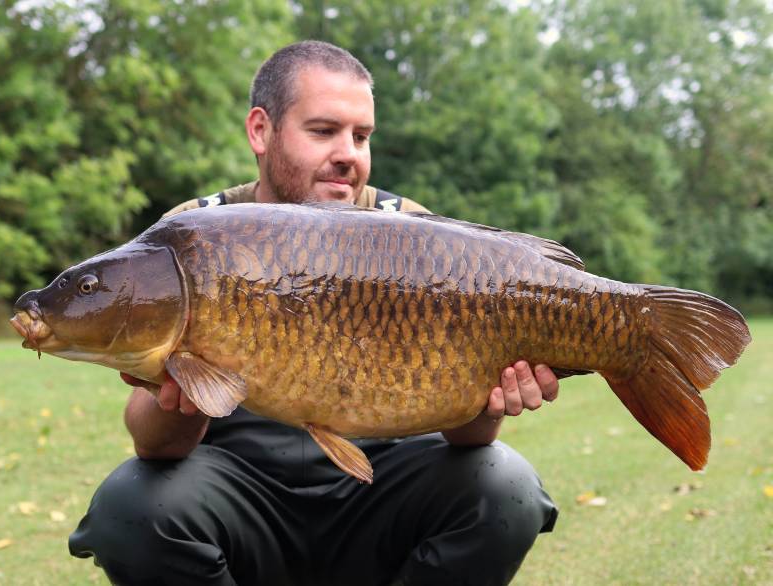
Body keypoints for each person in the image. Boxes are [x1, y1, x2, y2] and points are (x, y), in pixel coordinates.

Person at [69, 40, 559, 586]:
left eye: (362, 136)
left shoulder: (413, 233)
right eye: (324, 131)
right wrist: (183, 389)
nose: (348, 152)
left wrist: (492, 399)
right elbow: (154, 445)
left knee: (503, 484)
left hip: (377, 491)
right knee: (128, 505)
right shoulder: (193, 233)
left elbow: (469, 441)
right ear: (261, 130)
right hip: (240, 492)